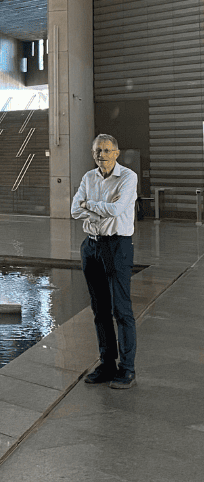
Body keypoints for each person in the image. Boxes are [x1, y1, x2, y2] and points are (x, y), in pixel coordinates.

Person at [71, 134, 137, 389]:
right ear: (93, 153)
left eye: (107, 150)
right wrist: (97, 206)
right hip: (91, 246)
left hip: (117, 246)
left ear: (117, 153)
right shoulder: (89, 178)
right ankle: (107, 363)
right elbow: (74, 210)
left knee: (122, 310)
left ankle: (127, 369)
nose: (102, 155)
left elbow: (118, 209)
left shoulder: (128, 177)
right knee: (100, 311)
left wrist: (90, 204)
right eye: (98, 150)